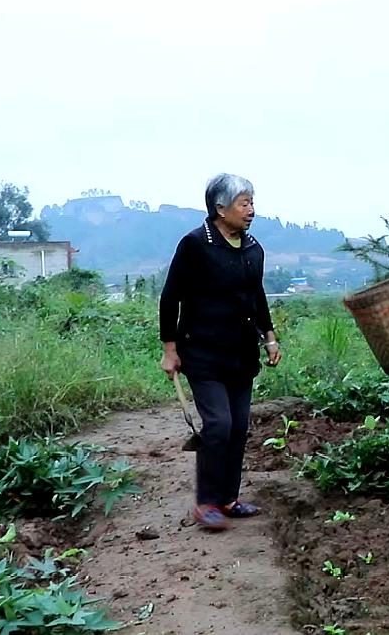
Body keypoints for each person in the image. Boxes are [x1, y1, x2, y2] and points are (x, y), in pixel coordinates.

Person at [159, 174, 282, 531]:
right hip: (203, 352)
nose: (251, 211)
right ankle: (206, 502)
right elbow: (171, 297)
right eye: (244, 204)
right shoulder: (195, 245)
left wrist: (269, 337)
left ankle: (229, 498)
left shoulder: (252, 248)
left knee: (240, 427)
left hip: (241, 353)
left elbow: (256, 296)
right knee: (219, 424)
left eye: (252, 203)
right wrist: (170, 349)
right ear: (220, 208)